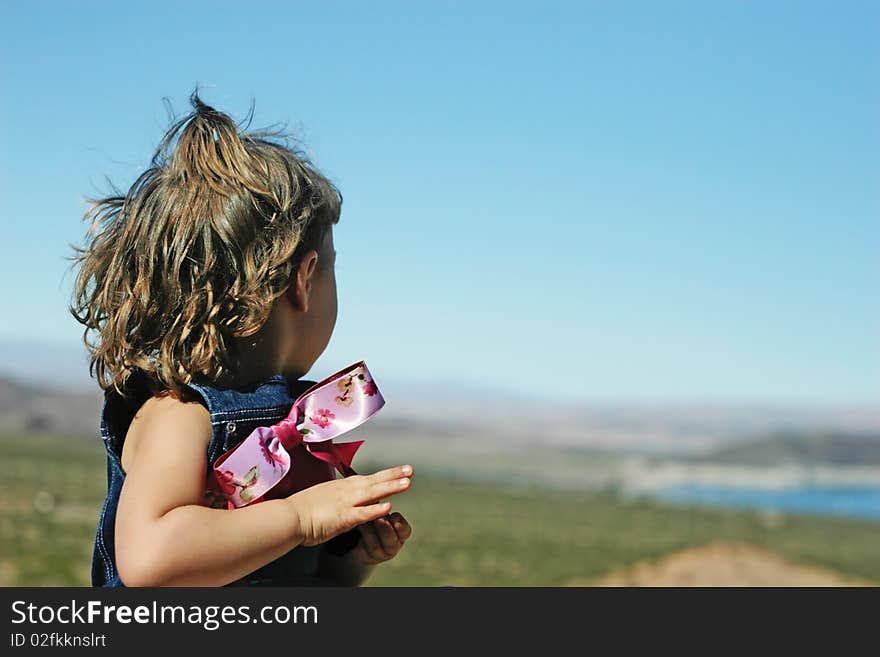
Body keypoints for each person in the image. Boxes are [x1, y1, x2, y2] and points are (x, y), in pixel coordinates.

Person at [69, 90, 413, 587]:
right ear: (303, 279)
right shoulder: (180, 415)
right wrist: (301, 518)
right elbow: (151, 560)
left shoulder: (293, 426)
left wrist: (350, 556)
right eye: (333, 268)